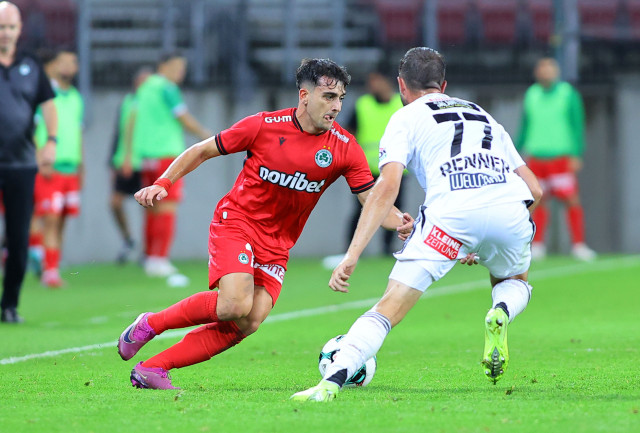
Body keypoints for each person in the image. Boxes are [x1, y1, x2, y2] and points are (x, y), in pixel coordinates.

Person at [117, 58, 412, 390]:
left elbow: (372, 199)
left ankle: (153, 368)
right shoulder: (264, 126)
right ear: (304, 96)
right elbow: (202, 150)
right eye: (329, 97)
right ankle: (149, 324)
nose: (337, 107)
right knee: (234, 304)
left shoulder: (344, 148)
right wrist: (163, 182)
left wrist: (403, 223)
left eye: (341, 98)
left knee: (249, 320)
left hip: (278, 243)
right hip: (237, 222)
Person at [291, 47, 543, 402]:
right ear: (444, 85)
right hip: (509, 208)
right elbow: (535, 189)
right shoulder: (482, 115)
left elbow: (386, 188)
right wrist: (486, 234)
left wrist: (352, 254)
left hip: (450, 216)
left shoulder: (405, 117)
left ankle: (330, 383)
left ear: (401, 86)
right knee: (514, 281)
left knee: (387, 309)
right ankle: (501, 311)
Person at [0, 1, 57, 322]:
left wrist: (51, 141)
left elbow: (48, 104)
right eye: (1, 27)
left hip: (21, 165)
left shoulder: (31, 65)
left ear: (19, 29)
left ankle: (9, 304)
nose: (5, 33)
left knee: (19, 238)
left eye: (10, 27)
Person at [132, 51, 211, 277]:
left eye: (182, 68)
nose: (180, 72)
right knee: (168, 207)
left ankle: (149, 256)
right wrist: (205, 135)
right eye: (176, 67)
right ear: (163, 66)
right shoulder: (167, 88)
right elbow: (183, 117)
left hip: (147, 155)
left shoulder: (145, 87)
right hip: (167, 155)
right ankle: (160, 259)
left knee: (151, 208)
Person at [323, 68, 404, 269]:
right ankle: (350, 250)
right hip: (367, 169)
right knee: (361, 209)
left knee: (394, 208)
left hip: (395, 168)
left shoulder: (400, 104)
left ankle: (389, 250)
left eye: (376, 80)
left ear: (387, 81)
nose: (372, 85)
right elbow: (349, 133)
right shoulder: (363, 104)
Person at [517, 57, 596, 261]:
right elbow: (525, 125)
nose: (546, 72)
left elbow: (577, 125)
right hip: (536, 157)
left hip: (560, 157)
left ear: (557, 72)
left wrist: (577, 153)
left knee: (571, 200)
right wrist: (516, 152)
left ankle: (578, 244)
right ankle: (538, 245)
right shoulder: (531, 94)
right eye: (542, 68)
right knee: (538, 201)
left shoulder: (568, 94)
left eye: (550, 68)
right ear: (537, 72)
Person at [30, 48, 83, 288]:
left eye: (73, 62)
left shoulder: (76, 97)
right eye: (64, 62)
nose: (69, 67)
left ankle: (51, 265)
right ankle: (48, 270)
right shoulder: (42, 95)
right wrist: (41, 157)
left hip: (71, 168)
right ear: (52, 65)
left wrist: (81, 164)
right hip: (50, 166)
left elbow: (78, 133)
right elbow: (31, 129)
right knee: (49, 219)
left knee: (62, 220)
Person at [108, 67, 152, 264]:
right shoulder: (128, 102)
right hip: (126, 162)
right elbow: (121, 132)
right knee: (115, 203)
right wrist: (117, 160)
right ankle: (128, 239)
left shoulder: (152, 105)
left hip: (145, 161)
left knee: (149, 207)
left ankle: (149, 251)